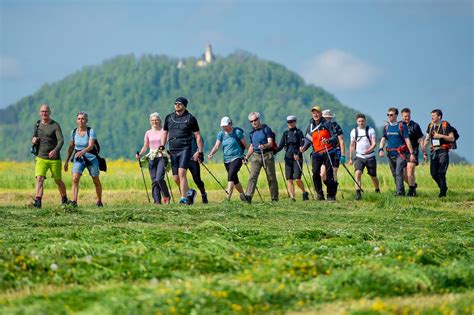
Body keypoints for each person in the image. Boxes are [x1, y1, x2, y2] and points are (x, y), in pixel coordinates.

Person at [161, 97, 203, 205]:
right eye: (175, 103)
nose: (177, 105)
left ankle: (183, 198)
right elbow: (165, 132)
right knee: (175, 178)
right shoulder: (169, 118)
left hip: (185, 148)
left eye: (179, 104)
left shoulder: (190, 118)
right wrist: (162, 146)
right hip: (173, 149)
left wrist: (200, 151)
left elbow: (197, 135)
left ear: (184, 105)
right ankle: (190, 192)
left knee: (182, 173)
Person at [31, 104, 69, 208]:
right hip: (41, 157)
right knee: (39, 178)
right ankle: (38, 202)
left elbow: (61, 140)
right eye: (42, 111)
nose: (44, 113)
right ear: (40, 113)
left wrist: (55, 150)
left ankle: (64, 199)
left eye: (46, 111)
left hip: (54, 159)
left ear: (50, 112)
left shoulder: (55, 125)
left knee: (58, 180)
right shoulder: (37, 124)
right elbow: (34, 138)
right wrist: (33, 140)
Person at [300, 106, 339, 201]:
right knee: (315, 173)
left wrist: (328, 140)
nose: (315, 115)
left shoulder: (327, 124)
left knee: (329, 174)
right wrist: (304, 147)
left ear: (321, 114)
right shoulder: (311, 126)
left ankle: (331, 195)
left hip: (328, 151)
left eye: (317, 113)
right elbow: (308, 139)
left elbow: (335, 137)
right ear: (312, 114)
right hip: (316, 153)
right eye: (313, 113)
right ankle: (320, 194)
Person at [241, 112, 279, 203]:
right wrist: (246, 157)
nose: (254, 122)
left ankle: (274, 198)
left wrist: (264, 146)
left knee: (271, 177)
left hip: (267, 155)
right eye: (251, 121)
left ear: (259, 119)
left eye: (255, 120)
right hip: (256, 156)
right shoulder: (252, 133)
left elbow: (270, 143)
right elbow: (252, 146)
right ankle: (248, 196)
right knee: (252, 177)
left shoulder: (266, 129)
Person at [378, 107, 416, 196]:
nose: (389, 116)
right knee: (394, 173)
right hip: (390, 154)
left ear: (396, 115)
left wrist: (411, 153)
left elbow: (407, 140)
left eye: (391, 115)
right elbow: (383, 139)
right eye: (388, 115)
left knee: (399, 171)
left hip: (401, 154)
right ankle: (400, 190)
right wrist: (380, 149)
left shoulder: (402, 126)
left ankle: (399, 193)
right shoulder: (386, 127)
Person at [208, 116, 248, 200]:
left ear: (230, 124)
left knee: (231, 175)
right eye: (223, 126)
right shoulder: (221, 134)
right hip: (226, 160)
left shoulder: (237, 132)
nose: (224, 128)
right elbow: (217, 146)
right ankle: (243, 195)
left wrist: (248, 156)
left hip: (237, 157)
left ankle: (227, 198)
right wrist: (211, 153)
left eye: (225, 126)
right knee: (235, 179)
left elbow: (246, 145)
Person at [136, 112, 170, 205]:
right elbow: (145, 146)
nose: (154, 122)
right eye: (153, 120)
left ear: (159, 121)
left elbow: (166, 143)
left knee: (159, 178)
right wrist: (140, 154)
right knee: (154, 180)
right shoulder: (148, 132)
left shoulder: (164, 131)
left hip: (161, 156)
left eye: (156, 120)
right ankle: (157, 201)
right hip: (151, 157)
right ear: (150, 122)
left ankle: (166, 196)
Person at [422, 109, 455, 197]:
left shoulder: (445, 125)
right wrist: (424, 150)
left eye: (433, 116)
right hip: (433, 152)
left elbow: (452, 138)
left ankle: (442, 193)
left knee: (441, 172)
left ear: (439, 116)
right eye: (431, 116)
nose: (432, 117)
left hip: (443, 151)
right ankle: (443, 187)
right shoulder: (430, 125)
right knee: (433, 174)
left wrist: (440, 136)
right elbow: (427, 138)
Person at [276, 115, 309, 201]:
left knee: (297, 178)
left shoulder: (299, 132)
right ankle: (292, 197)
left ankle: (304, 192)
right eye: (289, 122)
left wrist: (298, 154)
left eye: (292, 121)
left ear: (295, 122)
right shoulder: (285, 133)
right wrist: (273, 151)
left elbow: (302, 146)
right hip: (288, 158)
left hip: (297, 158)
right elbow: (280, 146)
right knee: (289, 179)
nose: (290, 123)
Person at [349, 113, 380, 200]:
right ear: (356, 122)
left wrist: (368, 150)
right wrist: (351, 158)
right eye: (359, 121)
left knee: (373, 175)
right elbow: (352, 145)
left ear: (365, 121)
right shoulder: (354, 131)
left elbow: (374, 143)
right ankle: (358, 193)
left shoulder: (370, 130)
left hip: (370, 156)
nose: (361, 123)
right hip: (359, 156)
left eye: (362, 121)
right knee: (357, 173)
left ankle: (377, 189)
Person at [400, 108, 424, 196]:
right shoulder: (399, 125)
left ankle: (411, 191)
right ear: (402, 116)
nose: (407, 118)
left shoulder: (415, 126)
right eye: (405, 116)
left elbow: (421, 139)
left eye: (408, 116)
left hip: (413, 151)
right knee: (403, 173)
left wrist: (424, 152)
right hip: (402, 152)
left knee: (410, 170)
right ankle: (413, 185)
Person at [320, 109, 346, 185]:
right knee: (322, 174)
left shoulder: (336, 126)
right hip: (324, 152)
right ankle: (330, 186)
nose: (327, 119)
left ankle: (333, 190)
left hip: (335, 151)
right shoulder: (320, 127)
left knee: (334, 172)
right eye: (325, 118)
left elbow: (341, 140)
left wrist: (343, 155)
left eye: (328, 118)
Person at [185, 136, 208, 204]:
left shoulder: (193, 131)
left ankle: (203, 194)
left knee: (197, 179)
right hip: (182, 159)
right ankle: (188, 196)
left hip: (193, 159)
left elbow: (201, 140)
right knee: (180, 179)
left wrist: (198, 152)